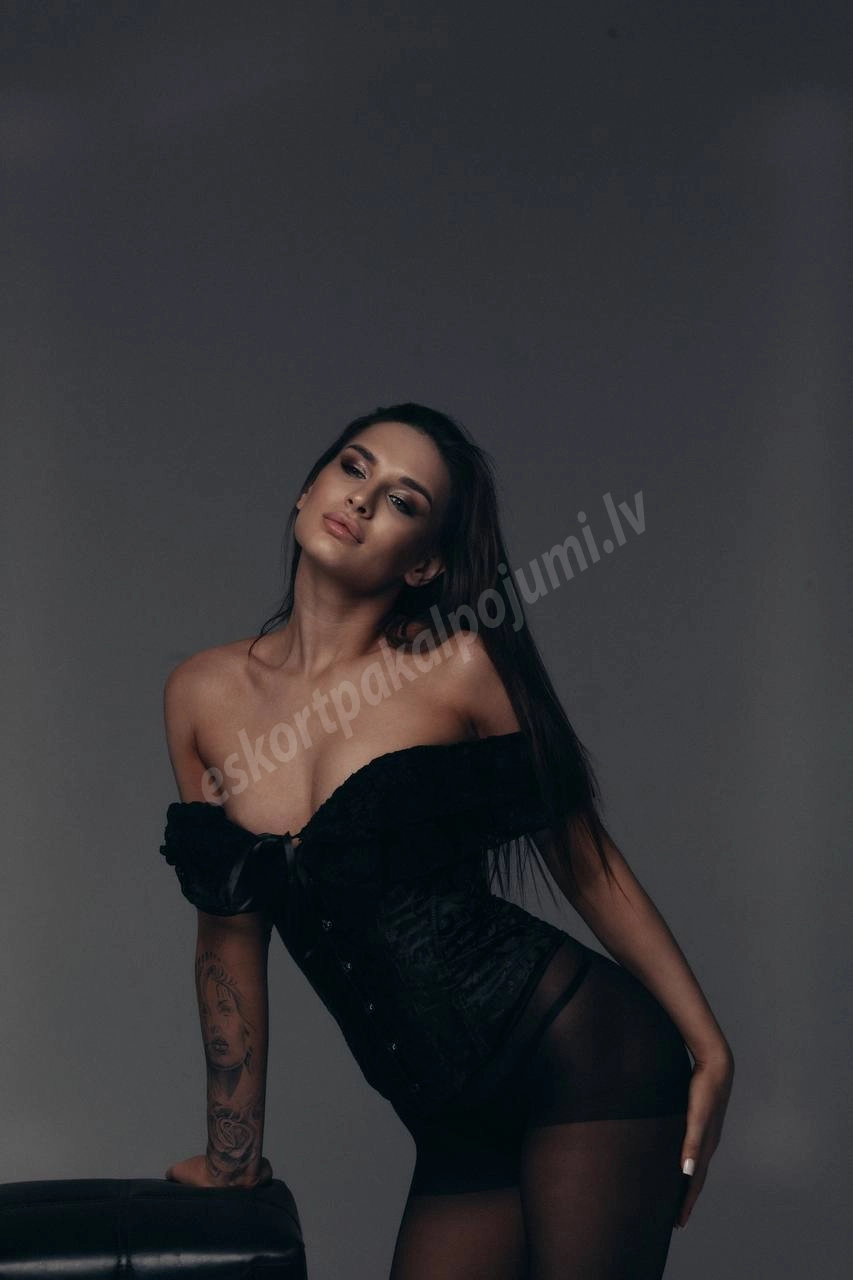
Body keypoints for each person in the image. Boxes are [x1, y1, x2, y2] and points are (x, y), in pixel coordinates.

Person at [159, 402, 734, 1278]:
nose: (362, 498)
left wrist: (710, 1047)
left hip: (583, 1061)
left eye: (403, 500)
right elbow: (227, 936)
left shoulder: (457, 668)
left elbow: (583, 862)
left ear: (424, 561)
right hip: (449, 1117)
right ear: (307, 489)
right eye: (353, 467)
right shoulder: (200, 693)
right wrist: (231, 1156)